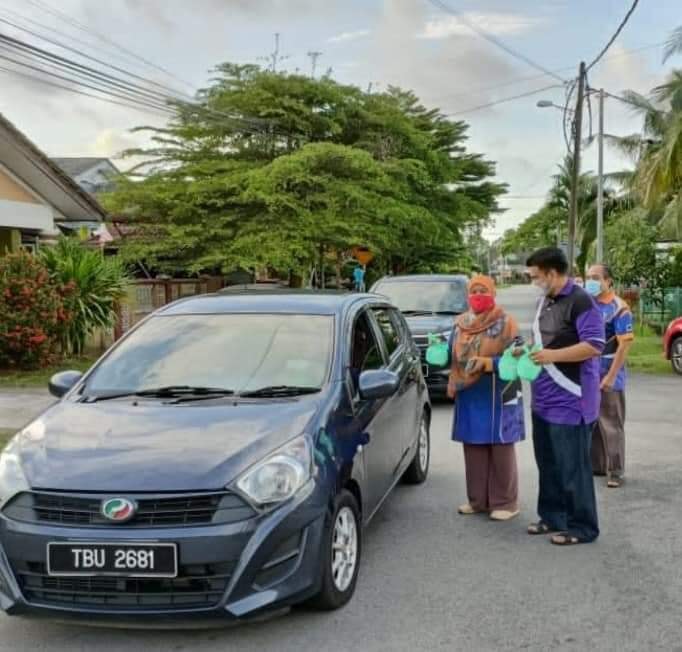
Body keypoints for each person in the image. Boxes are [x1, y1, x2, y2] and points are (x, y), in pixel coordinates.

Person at [525, 247, 605, 546]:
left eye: (536, 276)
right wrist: (526, 350)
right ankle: (552, 516)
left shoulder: (581, 301)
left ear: (552, 273)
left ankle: (582, 527)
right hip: (543, 397)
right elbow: (542, 340)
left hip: (572, 399)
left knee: (573, 468)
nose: (534, 282)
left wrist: (552, 356)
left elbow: (594, 345)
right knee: (548, 464)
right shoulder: (544, 301)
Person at [443, 275, 525, 521]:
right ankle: (477, 500)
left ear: (493, 293)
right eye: (474, 291)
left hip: (500, 390)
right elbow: (449, 353)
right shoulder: (460, 324)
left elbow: (520, 355)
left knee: (500, 447)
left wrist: (490, 363)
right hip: (470, 392)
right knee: (474, 446)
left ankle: (506, 503)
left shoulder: (507, 322)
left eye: (483, 291)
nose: (478, 295)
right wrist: (439, 354)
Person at [586, 264, 634, 488]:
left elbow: (624, 345)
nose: (591, 282)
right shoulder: (587, 304)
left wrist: (611, 376)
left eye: (596, 278)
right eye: (588, 277)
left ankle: (616, 470)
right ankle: (597, 465)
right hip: (588, 371)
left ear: (608, 281)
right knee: (593, 421)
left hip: (608, 369)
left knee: (611, 422)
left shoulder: (619, 308)